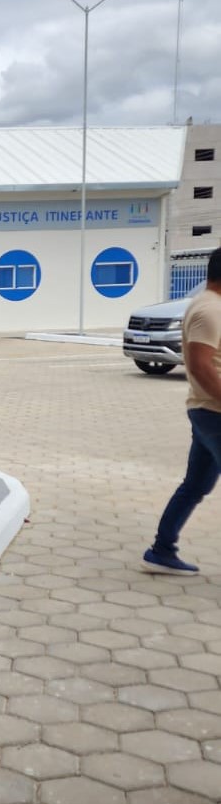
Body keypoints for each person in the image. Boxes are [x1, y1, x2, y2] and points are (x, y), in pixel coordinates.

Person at [143, 246, 221, 576]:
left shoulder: (207, 305)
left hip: (205, 411)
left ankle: (161, 550)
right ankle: (161, 548)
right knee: (194, 486)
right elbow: (201, 366)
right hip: (215, 413)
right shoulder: (211, 310)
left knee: (195, 486)